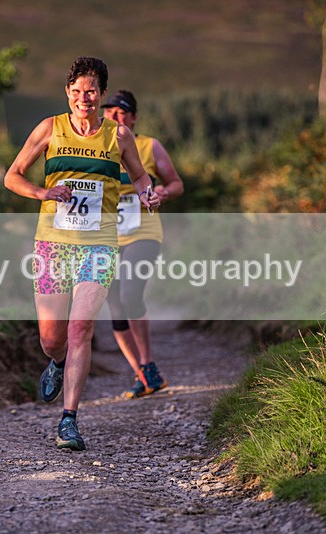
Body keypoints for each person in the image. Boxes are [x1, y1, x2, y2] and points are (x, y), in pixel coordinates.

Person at [4, 58, 160, 451]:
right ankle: (55, 363)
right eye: (75, 92)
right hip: (53, 242)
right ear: (67, 94)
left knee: (81, 328)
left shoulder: (119, 136)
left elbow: (140, 176)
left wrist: (148, 192)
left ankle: (68, 419)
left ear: (102, 93)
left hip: (100, 243)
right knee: (51, 338)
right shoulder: (49, 129)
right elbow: (13, 175)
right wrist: (42, 193)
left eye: (90, 91)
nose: (83, 99)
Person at [101, 90, 184, 399]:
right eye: (109, 112)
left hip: (143, 232)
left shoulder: (149, 146)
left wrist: (163, 192)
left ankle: (147, 363)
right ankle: (143, 375)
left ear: (133, 118)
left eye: (122, 113)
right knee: (116, 307)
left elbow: (176, 183)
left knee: (130, 291)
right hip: (105, 237)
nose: (115, 118)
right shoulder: (95, 148)